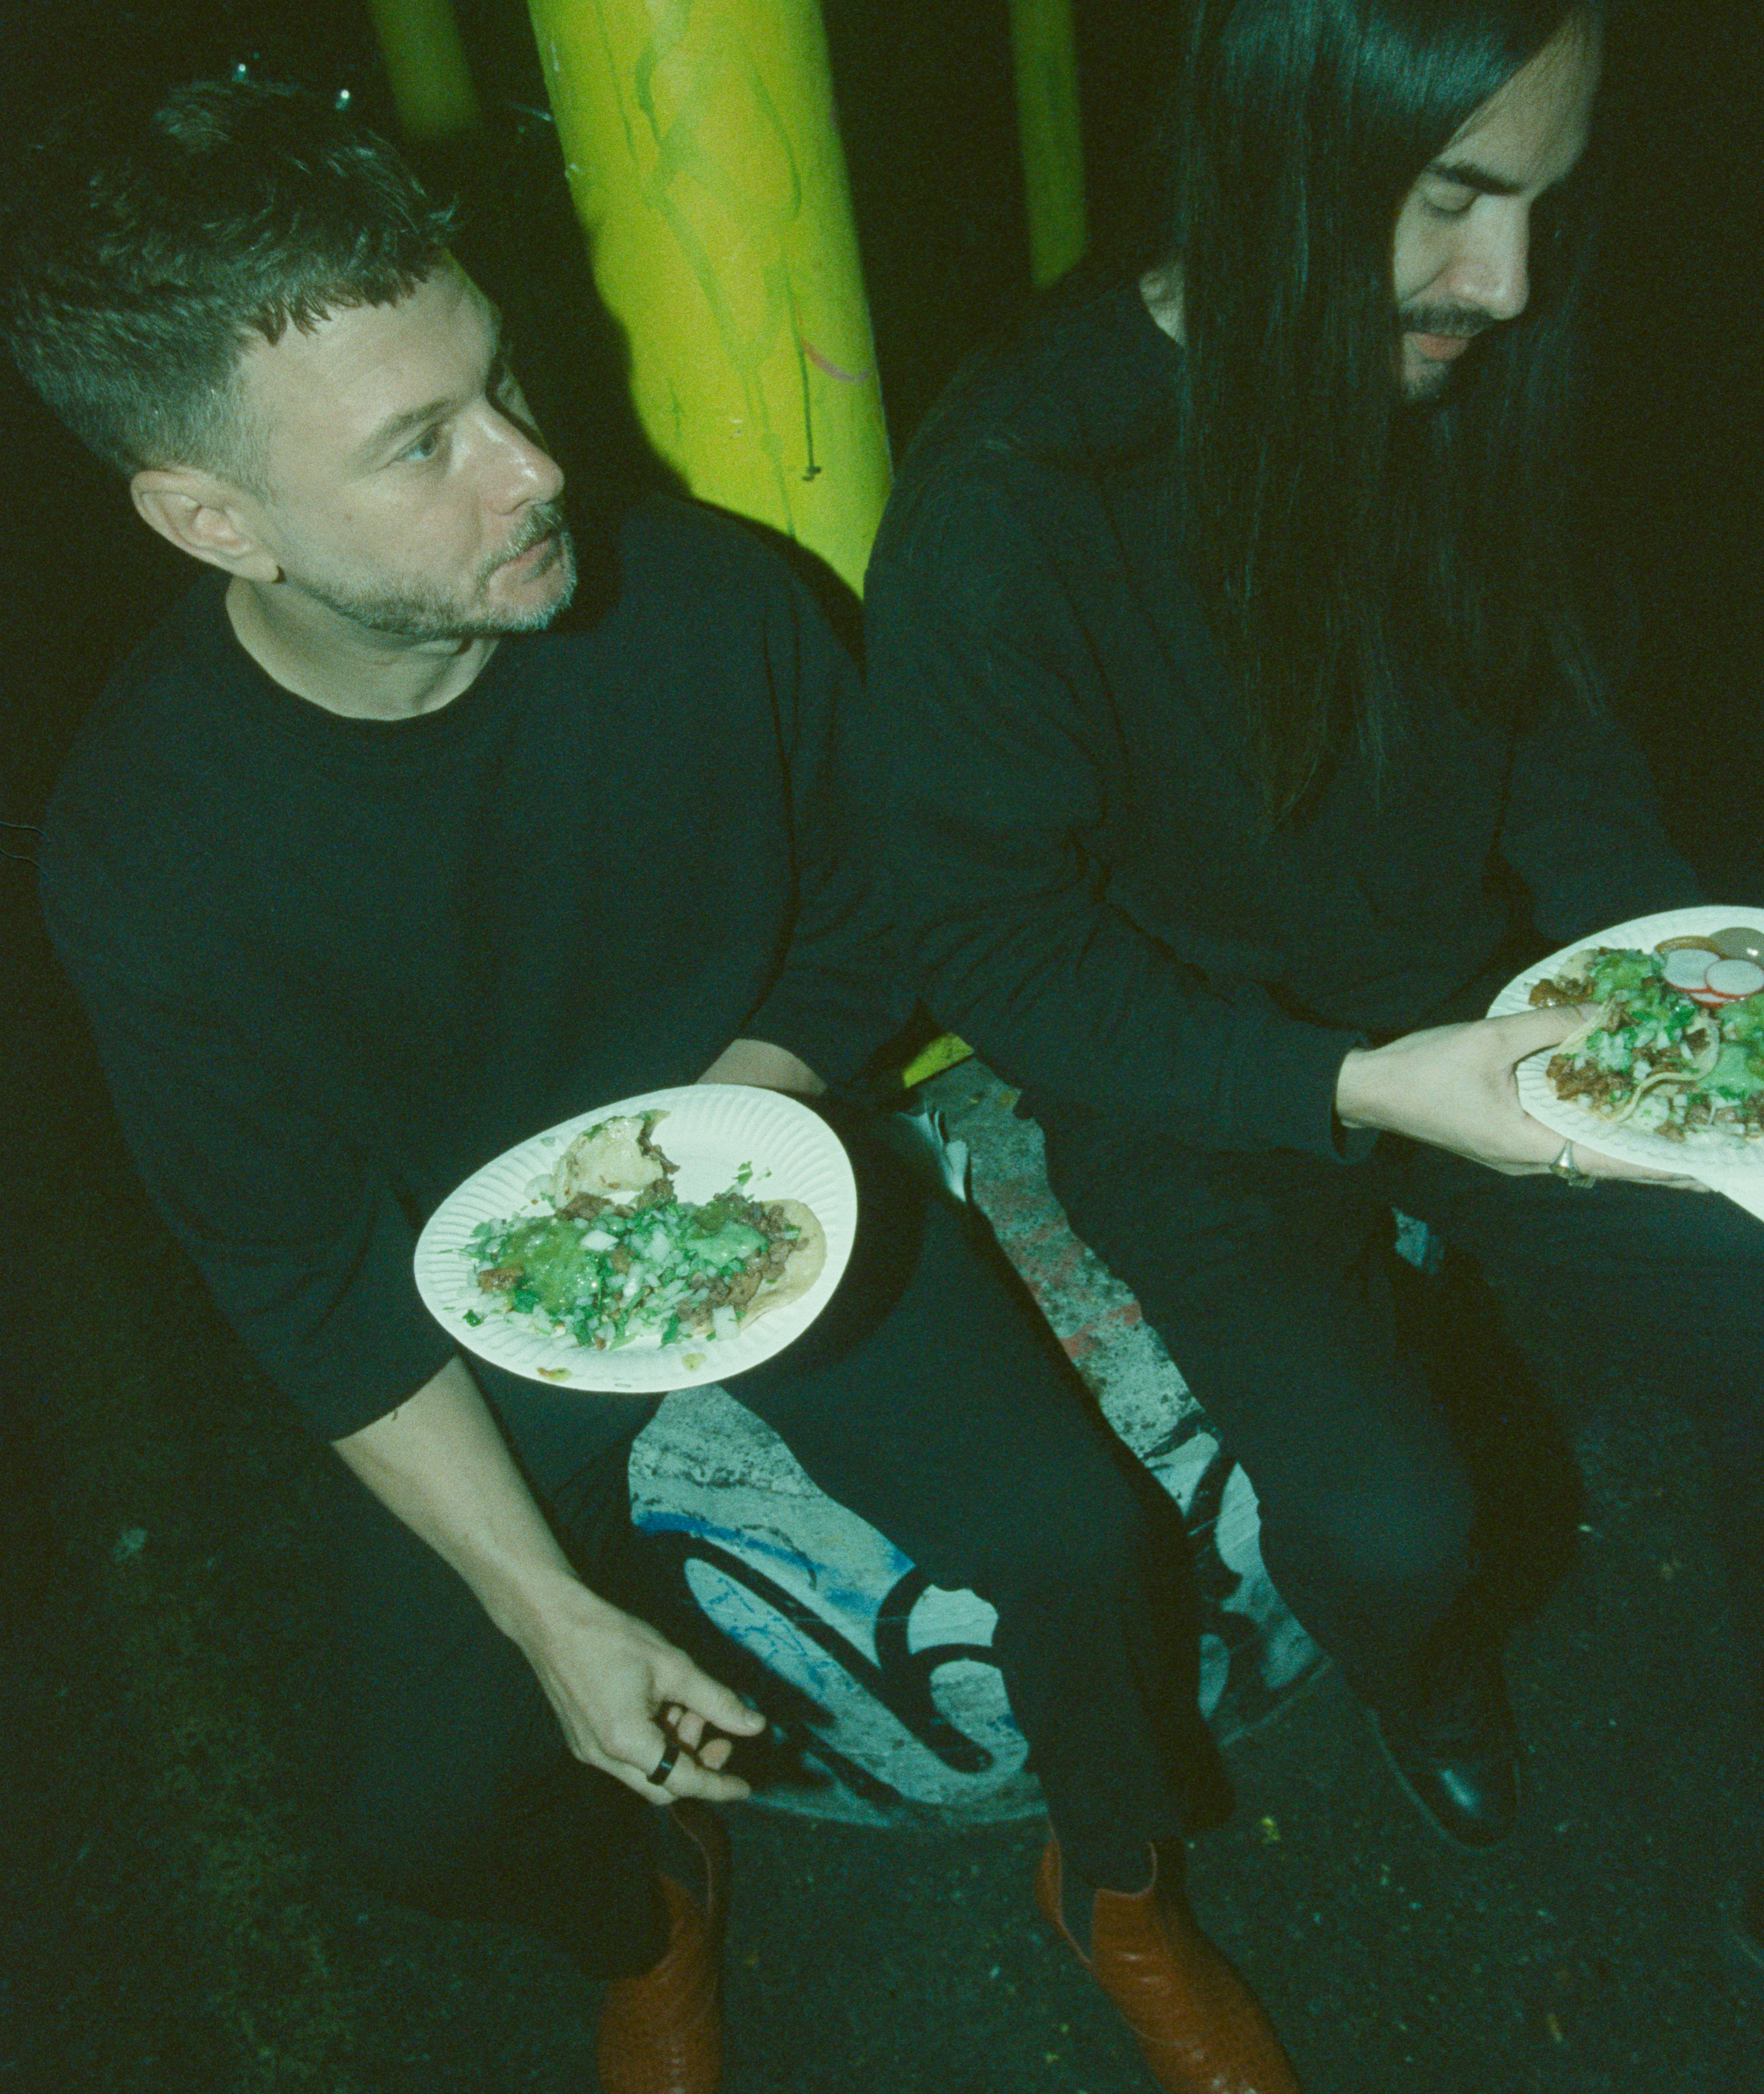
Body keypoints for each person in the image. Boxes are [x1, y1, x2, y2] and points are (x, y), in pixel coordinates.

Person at [1, 76, 1311, 2094]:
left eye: (501, 377)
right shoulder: (140, 850)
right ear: (210, 518)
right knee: (420, 1814)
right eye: (419, 447)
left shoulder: (712, 605)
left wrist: (746, 1106)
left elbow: (878, 905)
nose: (528, 463)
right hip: (461, 1310)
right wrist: (540, 1609)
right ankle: (655, 1915)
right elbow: (294, 1273)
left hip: (771, 1160)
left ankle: (1118, 1885)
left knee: (1086, 1548)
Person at [864, 2, 1764, 2090]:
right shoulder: (1017, 493)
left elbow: (1553, 723)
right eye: (1450, 198)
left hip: (1489, 1028)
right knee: (1401, 1530)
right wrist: (1335, 1086)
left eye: (1541, 202)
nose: (1503, 285)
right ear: (1270, 155)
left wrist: (1679, 970)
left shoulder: (1458, 379)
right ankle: (1424, 1678)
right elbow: (990, 938)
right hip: (1201, 1078)